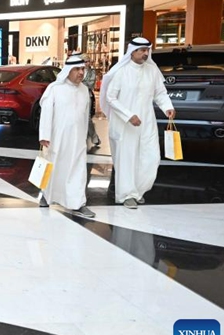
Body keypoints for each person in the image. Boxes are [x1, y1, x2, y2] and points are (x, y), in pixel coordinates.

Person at [100, 37, 175, 209]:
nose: (145, 53)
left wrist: (167, 107)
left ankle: (138, 191)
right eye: (141, 50)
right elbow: (110, 98)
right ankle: (127, 195)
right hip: (124, 123)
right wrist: (128, 115)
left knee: (151, 157)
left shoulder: (152, 70)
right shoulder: (121, 71)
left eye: (147, 50)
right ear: (132, 52)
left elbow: (160, 92)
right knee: (127, 159)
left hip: (147, 121)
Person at [38, 54, 95, 218]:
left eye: (82, 69)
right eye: (77, 69)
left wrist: (86, 136)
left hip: (77, 139)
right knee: (54, 167)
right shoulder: (54, 89)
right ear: (68, 70)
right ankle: (47, 195)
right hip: (57, 138)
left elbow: (85, 116)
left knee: (78, 169)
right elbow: (46, 113)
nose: (80, 73)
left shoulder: (84, 90)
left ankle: (78, 203)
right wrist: (45, 135)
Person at [81, 57, 101, 147]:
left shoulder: (92, 72)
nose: (86, 63)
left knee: (87, 118)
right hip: (75, 96)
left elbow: (90, 84)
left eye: (88, 61)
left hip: (86, 95)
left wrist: (79, 83)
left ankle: (94, 137)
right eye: (84, 61)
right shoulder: (77, 70)